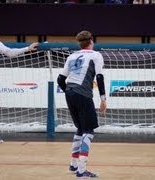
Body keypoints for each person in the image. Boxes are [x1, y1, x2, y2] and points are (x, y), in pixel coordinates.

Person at [57, 30, 107, 178]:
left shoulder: (72, 56)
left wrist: (69, 91)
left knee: (80, 129)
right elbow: (99, 77)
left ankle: (73, 165)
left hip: (70, 93)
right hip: (82, 94)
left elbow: (60, 80)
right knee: (88, 131)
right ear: (91, 41)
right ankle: (81, 170)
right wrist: (103, 99)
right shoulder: (96, 55)